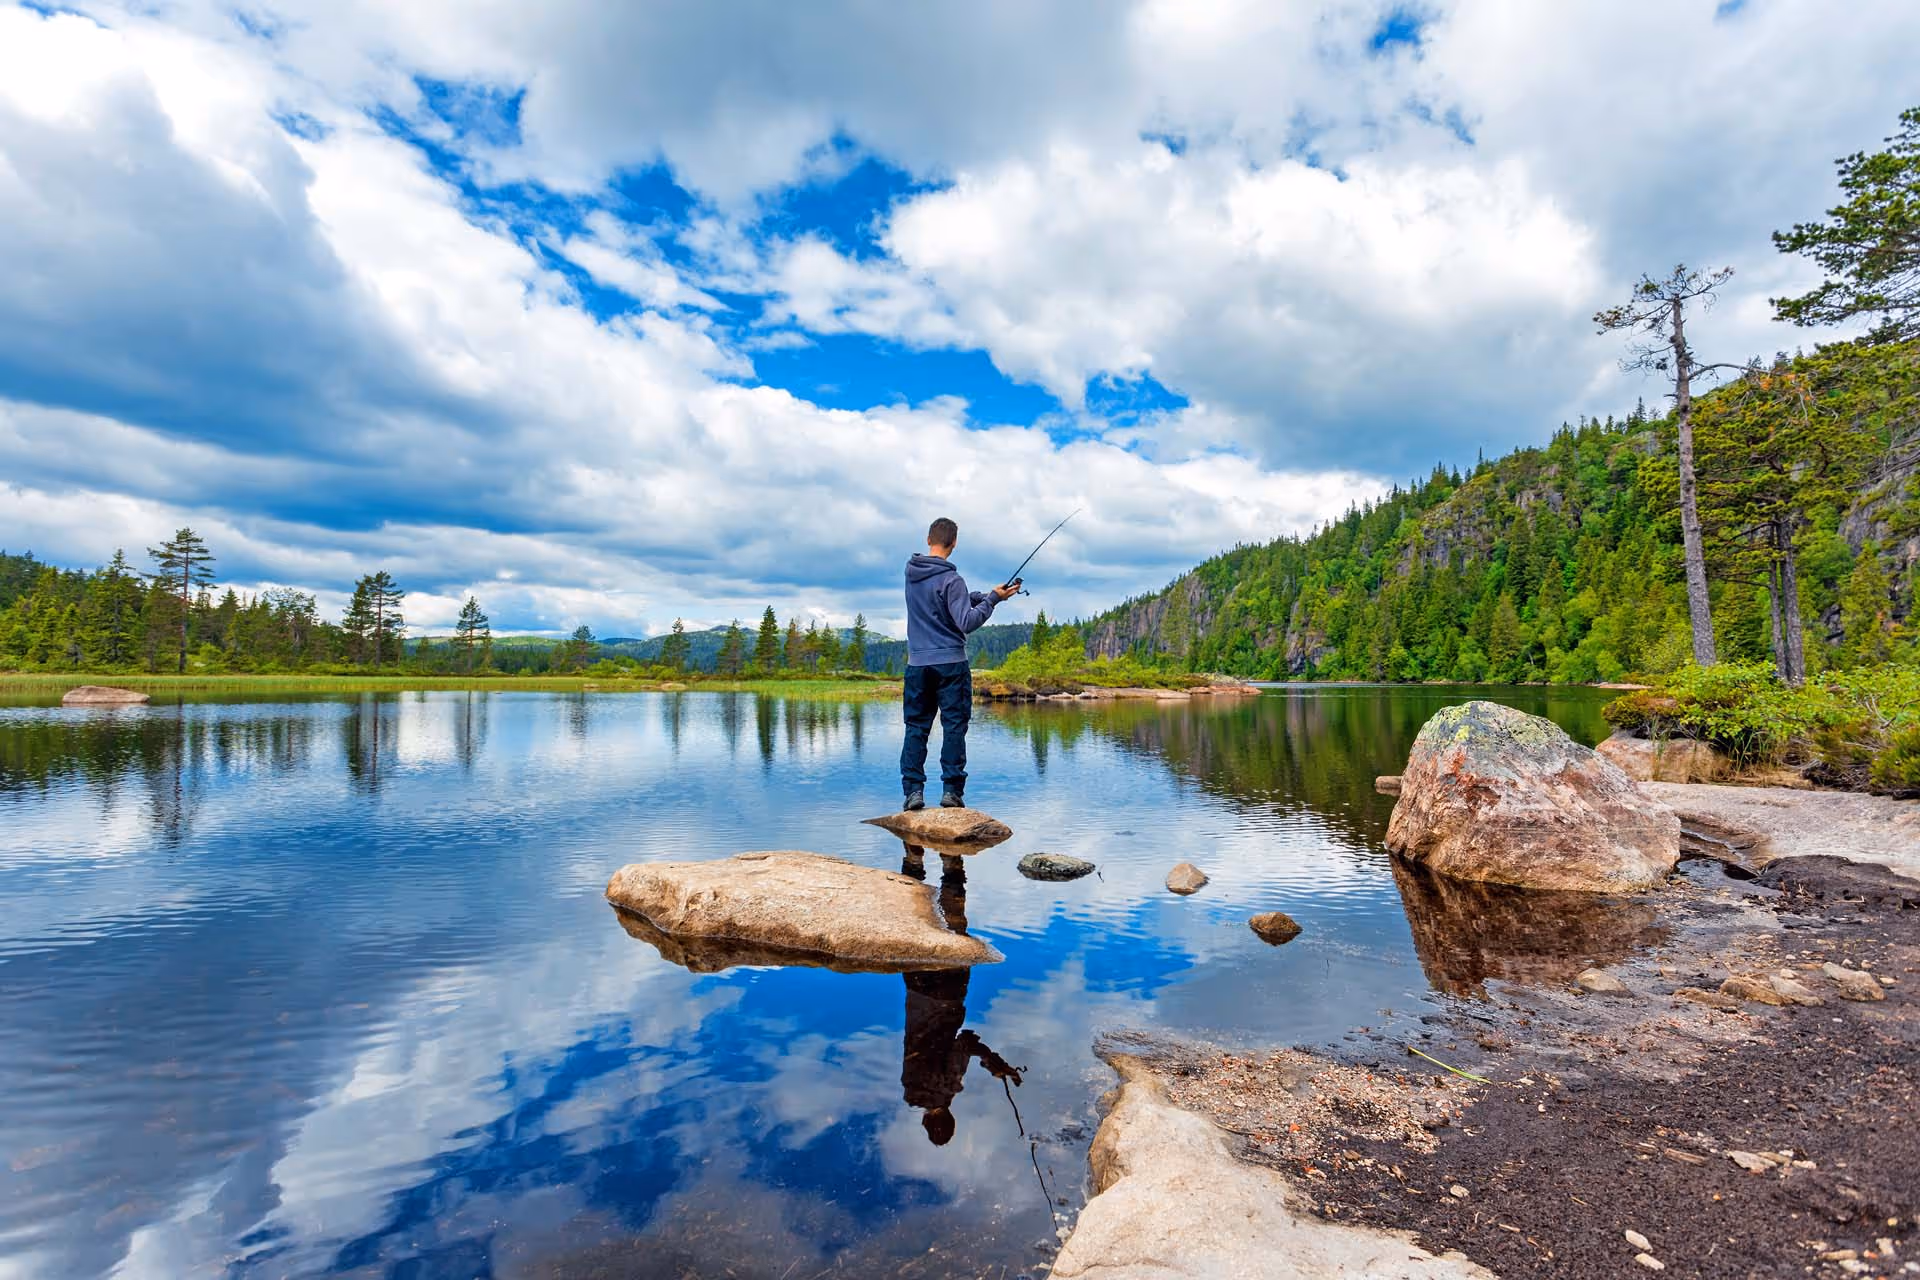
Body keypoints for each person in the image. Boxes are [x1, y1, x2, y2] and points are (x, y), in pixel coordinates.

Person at [901, 517, 1018, 811]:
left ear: (929, 539)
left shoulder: (911, 573)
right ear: (954, 544)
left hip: (917, 665)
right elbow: (966, 620)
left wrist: (986, 595)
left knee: (916, 727)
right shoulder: (952, 580)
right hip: (951, 665)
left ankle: (913, 792)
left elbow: (941, 599)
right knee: (954, 727)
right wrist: (991, 601)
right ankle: (951, 793)